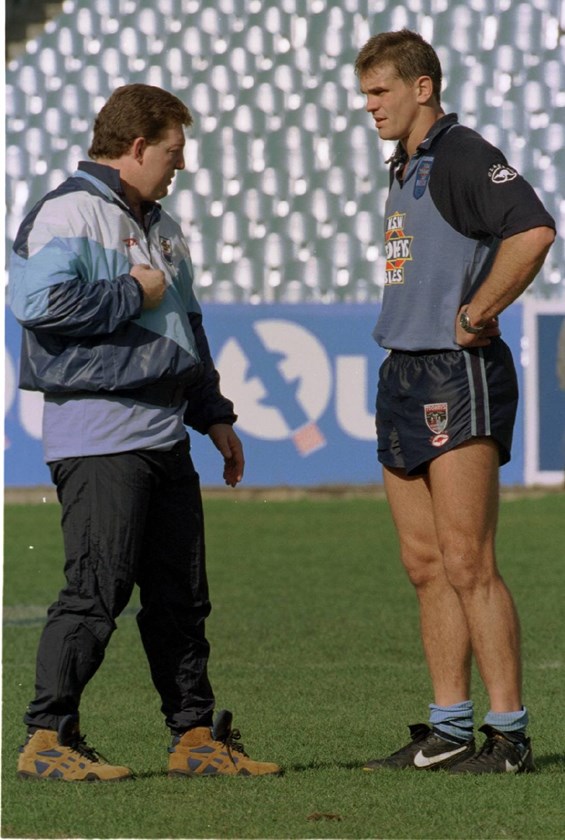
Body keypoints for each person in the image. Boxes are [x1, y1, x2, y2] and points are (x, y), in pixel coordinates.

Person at [9, 83, 281, 781]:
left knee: (180, 598)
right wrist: (132, 290)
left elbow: (186, 331)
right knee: (96, 590)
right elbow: (35, 304)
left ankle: (193, 737)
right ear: (136, 147)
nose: (179, 165)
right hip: (98, 436)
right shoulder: (68, 210)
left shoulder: (160, 225)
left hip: (164, 434)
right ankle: (47, 741)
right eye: (173, 150)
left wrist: (214, 415)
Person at [354, 30, 555, 773]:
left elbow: (532, 231)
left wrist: (475, 314)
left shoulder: (463, 153)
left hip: (452, 374)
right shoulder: (406, 164)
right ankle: (446, 729)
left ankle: (508, 737)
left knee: (469, 560)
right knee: (424, 562)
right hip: (401, 372)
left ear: (421, 88)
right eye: (365, 93)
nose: (368, 106)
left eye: (379, 91)